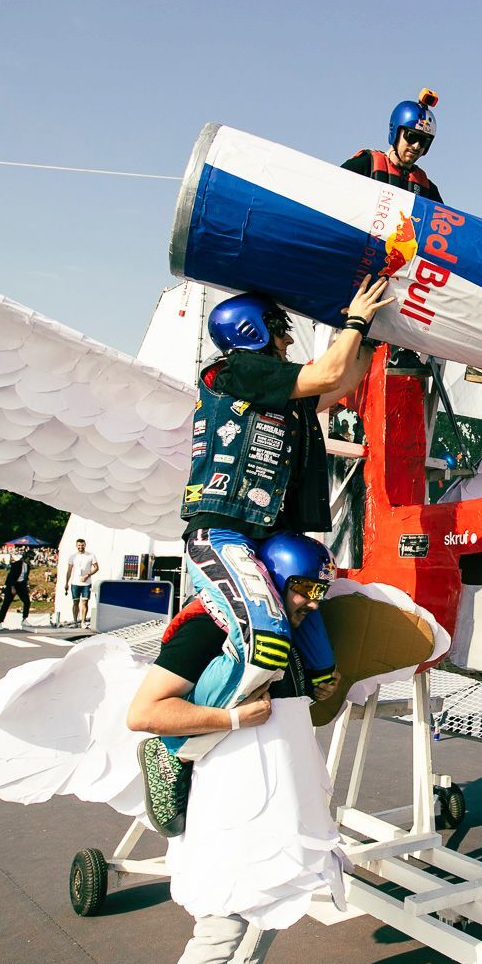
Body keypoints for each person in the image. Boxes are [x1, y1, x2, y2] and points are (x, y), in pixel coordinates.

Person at [137, 275, 392, 836]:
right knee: (269, 634)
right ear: (253, 332)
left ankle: (296, 686)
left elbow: (340, 382)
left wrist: (375, 337)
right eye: (279, 332)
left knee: (306, 598)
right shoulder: (234, 370)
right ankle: (176, 742)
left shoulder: (276, 392)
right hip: (223, 532)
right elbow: (326, 373)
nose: (285, 343)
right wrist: (354, 321)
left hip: (259, 536)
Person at [124, 534, 336, 964]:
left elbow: (294, 719)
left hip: (277, 806)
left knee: (282, 890)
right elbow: (146, 713)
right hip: (229, 808)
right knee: (216, 934)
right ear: (273, 578)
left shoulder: (289, 631)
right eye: (305, 588)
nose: (314, 602)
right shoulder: (208, 627)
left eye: (321, 590)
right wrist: (234, 716)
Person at [63, 538, 100, 630]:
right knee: (75, 602)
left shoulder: (91, 555)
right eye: (79, 545)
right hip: (75, 582)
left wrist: (87, 575)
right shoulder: (73, 556)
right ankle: (75, 621)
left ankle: (83, 621)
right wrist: (66, 583)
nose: (80, 547)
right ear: (76, 546)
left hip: (86, 583)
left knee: (85, 602)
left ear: (85, 545)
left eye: (82, 545)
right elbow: (69, 570)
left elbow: (96, 568)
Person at [0, 547, 35, 627]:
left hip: (21, 585)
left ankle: (24, 619)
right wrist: (12, 587)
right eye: (29, 559)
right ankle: (0, 622)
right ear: (26, 557)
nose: (29, 561)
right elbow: (10, 577)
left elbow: (25, 576)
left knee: (27, 601)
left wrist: (27, 584)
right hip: (12, 584)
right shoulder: (17, 564)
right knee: (6, 603)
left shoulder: (27, 566)